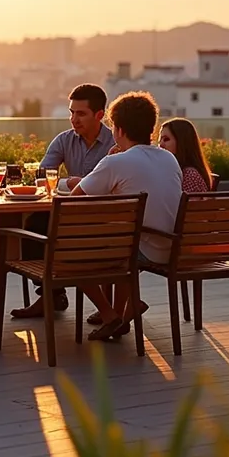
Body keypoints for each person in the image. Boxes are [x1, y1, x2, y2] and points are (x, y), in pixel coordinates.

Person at [71, 91, 182, 341]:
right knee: (123, 239)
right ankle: (121, 313)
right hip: (172, 245)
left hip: (141, 248)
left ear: (118, 129)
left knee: (70, 253)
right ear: (151, 129)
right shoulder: (169, 159)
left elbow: (73, 201)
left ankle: (110, 315)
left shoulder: (116, 162)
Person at [10, 83, 116, 319]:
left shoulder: (114, 144)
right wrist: (72, 183)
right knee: (36, 223)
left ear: (99, 115)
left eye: (81, 113)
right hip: (70, 214)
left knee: (55, 229)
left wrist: (75, 183)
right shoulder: (64, 140)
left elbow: (114, 185)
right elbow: (42, 176)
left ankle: (101, 305)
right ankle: (51, 293)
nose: (74, 119)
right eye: (71, 112)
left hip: (104, 221)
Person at [159, 118, 215, 194]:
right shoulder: (174, 171)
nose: (160, 145)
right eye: (160, 140)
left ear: (182, 143)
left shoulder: (189, 175)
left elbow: (184, 205)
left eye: (166, 139)